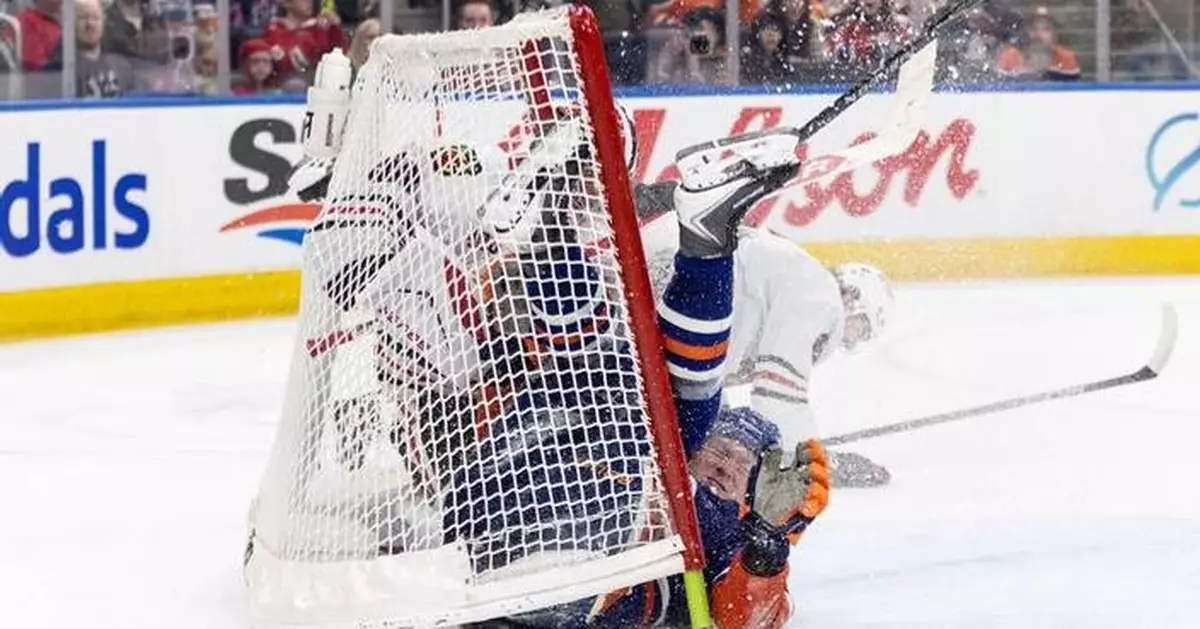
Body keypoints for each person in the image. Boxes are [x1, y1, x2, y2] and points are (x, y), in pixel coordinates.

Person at [288, 99, 831, 627]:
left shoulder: (730, 529)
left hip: (523, 541)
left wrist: (768, 546)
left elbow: (746, 619)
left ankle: (571, 237)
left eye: (735, 468)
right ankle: (556, 235)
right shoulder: (662, 441)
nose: (723, 467)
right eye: (726, 452)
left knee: (654, 397)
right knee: (640, 387)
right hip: (531, 491)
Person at [75, 0, 136, 97]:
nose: (90, 23)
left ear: (103, 21)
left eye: (95, 18)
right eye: (83, 17)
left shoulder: (122, 67)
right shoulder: (63, 69)